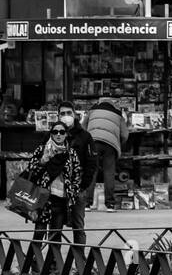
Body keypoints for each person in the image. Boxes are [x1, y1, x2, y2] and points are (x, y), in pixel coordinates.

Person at [26, 120, 82, 243]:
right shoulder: (41, 150)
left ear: (66, 134)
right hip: (42, 198)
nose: (58, 134)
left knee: (55, 237)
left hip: (61, 199)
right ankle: (34, 261)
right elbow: (30, 171)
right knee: (38, 235)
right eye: (55, 132)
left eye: (62, 132)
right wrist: (43, 161)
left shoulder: (71, 153)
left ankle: (53, 262)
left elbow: (77, 174)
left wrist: (73, 192)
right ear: (51, 134)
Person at [57, 100, 97, 245]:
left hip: (77, 188)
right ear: (58, 116)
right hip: (56, 190)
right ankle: (54, 263)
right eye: (62, 114)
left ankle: (80, 263)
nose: (66, 116)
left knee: (78, 227)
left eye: (69, 113)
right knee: (55, 228)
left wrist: (83, 185)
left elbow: (92, 162)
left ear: (74, 115)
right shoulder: (53, 134)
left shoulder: (85, 136)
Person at [85, 96, 129, 209]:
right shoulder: (118, 114)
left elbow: (82, 128)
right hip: (110, 145)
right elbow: (125, 135)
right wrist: (118, 142)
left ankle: (87, 204)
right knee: (109, 173)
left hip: (93, 142)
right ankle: (110, 204)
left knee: (91, 171)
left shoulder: (92, 111)